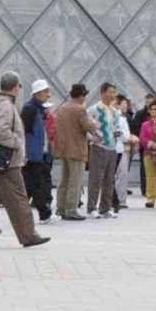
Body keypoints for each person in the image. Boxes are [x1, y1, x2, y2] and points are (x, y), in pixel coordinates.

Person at [0, 72, 51, 249]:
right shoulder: (6, 106)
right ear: (15, 87)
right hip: (7, 162)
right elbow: (1, 131)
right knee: (20, 199)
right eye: (19, 87)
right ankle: (28, 235)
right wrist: (18, 142)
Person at [53, 82, 93, 221]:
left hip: (64, 149)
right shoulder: (80, 110)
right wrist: (95, 123)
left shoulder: (63, 108)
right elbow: (88, 127)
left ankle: (60, 208)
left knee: (64, 180)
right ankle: (71, 209)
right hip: (76, 149)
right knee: (75, 181)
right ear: (81, 95)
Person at [86, 81, 124, 218]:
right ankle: (91, 208)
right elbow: (85, 127)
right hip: (99, 147)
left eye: (114, 92)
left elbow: (117, 128)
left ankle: (105, 208)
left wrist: (118, 136)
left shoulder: (115, 112)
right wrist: (91, 138)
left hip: (112, 147)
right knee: (96, 178)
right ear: (102, 93)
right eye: (110, 92)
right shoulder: (93, 109)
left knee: (109, 179)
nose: (113, 95)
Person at [21, 79, 55, 221]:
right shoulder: (30, 109)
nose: (48, 95)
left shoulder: (37, 109)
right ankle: (44, 213)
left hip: (38, 154)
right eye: (46, 92)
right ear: (38, 93)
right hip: (32, 154)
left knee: (31, 186)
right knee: (36, 185)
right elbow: (24, 131)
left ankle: (24, 214)